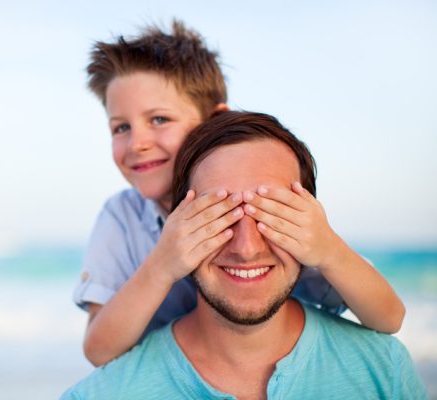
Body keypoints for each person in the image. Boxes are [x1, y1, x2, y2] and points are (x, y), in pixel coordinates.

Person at [74, 20, 405, 367]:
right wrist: (161, 265)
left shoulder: (262, 207)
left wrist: (327, 249)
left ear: (215, 120)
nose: (137, 143)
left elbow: (388, 318)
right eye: (121, 127)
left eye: (159, 120)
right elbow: (98, 350)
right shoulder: (121, 218)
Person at [63, 111, 427, 399]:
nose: (246, 248)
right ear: (175, 228)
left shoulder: (385, 372)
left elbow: (390, 315)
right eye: (219, 215)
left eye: (272, 213)